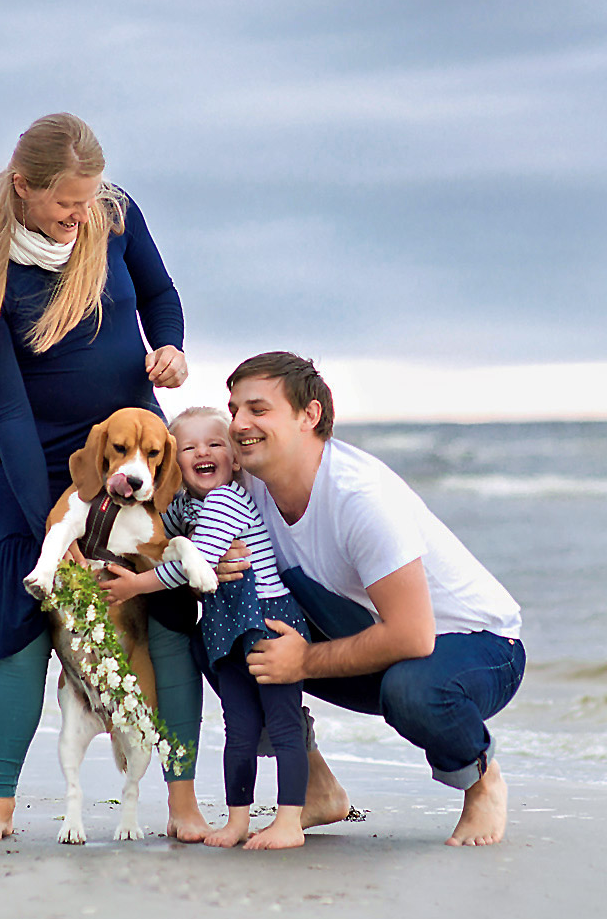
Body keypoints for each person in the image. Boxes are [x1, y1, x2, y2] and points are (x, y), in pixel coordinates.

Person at [0, 112, 208, 843]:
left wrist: (168, 347)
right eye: (67, 205)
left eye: (90, 200)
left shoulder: (116, 215)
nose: (82, 217)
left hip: (133, 449)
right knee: (22, 620)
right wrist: (57, 520)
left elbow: (161, 296)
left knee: (162, 610)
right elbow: (6, 407)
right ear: (24, 187)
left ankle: (182, 801)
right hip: (31, 453)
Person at [218, 351, 526, 847]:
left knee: (412, 691)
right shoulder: (248, 481)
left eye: (258, 410)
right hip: (375, 633)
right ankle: (315, 786)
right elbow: (181, 456)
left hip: (481, 646)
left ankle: (482, 780)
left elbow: (412, 634)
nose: (238, 424)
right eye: (233, 410)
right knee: (224, 630)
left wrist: (304, 661)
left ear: (308, 415)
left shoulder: (360, 497)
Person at [101, 407, 311, 849]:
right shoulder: (184, 506)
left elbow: (196, 562)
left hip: (266, 621)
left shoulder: (225, 501)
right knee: (239, 727)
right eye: (190, 447)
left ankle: (290, 819)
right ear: (173, 462)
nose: (204, 452)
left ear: (235, 458)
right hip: (224, 629)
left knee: (283, 723)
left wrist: (138, 584)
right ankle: (237, 821)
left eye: (215, 444)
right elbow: (161, 533)